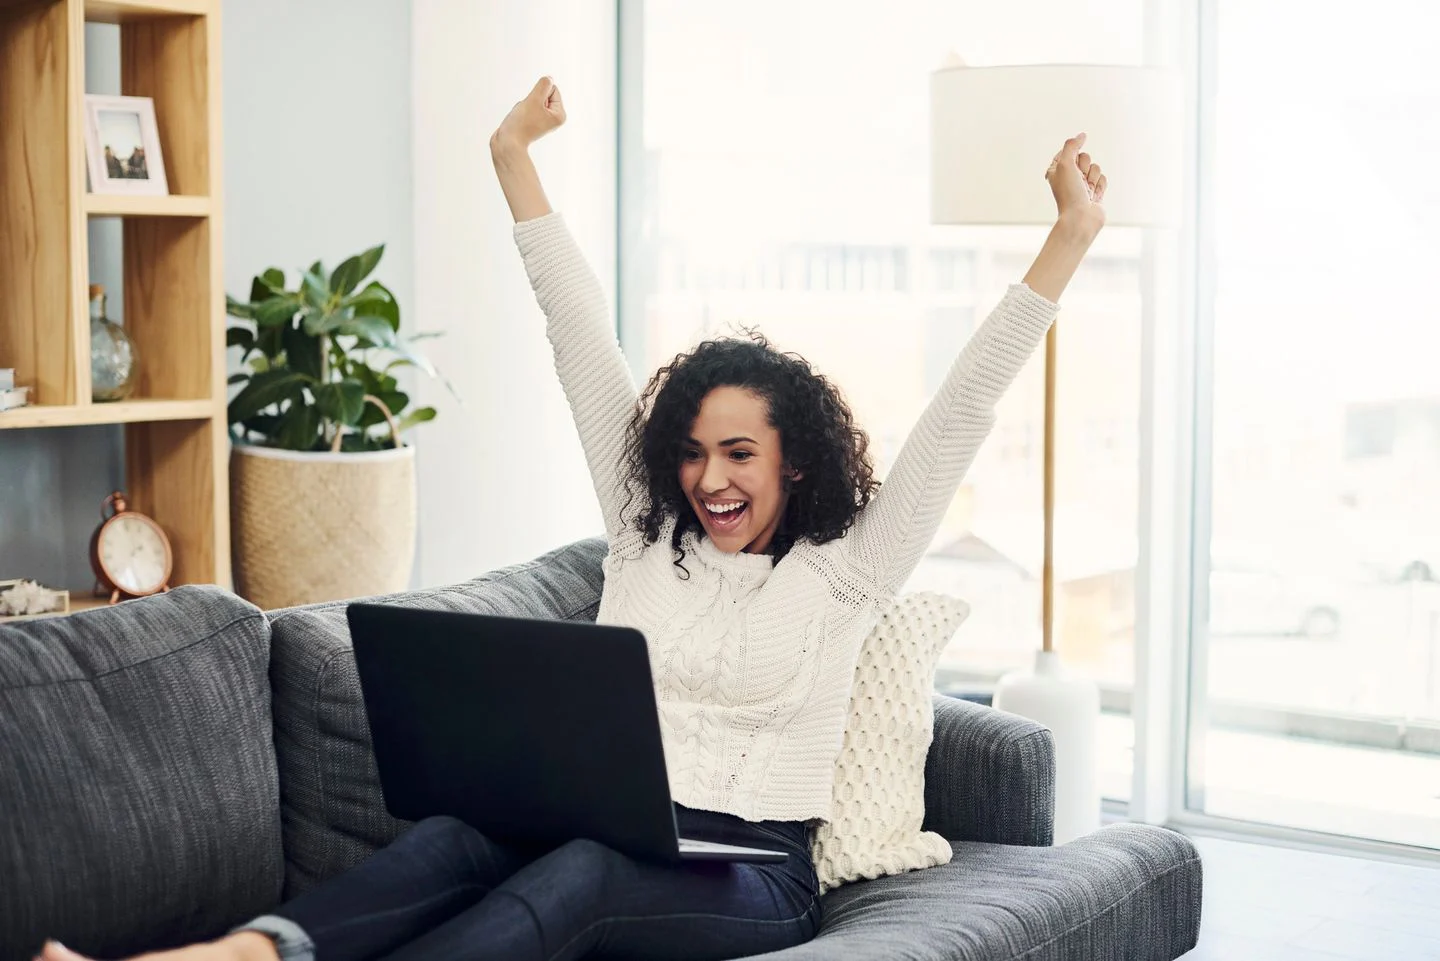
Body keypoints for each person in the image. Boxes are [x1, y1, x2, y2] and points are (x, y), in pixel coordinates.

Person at [39, 75, 1108, 961]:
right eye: (691, 451)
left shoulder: (848, 568)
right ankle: (227, 956)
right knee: (462, 837)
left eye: (740, 453)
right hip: (596, 819)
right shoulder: (647, 533)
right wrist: (515, 160)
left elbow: (965, 405)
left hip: (753, 872)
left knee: (583, 876)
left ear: (799, 461)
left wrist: (1070, 235)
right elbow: (578, 337)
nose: (710, 478)